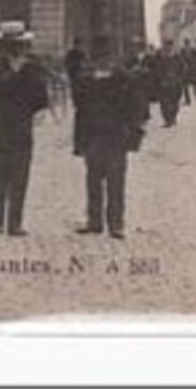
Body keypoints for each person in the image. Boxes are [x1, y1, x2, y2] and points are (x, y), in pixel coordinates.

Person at [0, 22, 51, 236]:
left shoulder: (33, 66)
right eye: (11, 45)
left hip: (21, 127)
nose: (17, 49)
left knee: (20, 176)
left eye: (20, 45)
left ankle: (15, 223)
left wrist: (31, 79)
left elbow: (40, 99)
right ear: (3, 45)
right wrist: (14, 74)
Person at [71, 35, 147, 239]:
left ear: (113, 57)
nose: (102, 60)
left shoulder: (124, 78)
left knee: (116, 179)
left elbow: (136, 107)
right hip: (94, 134)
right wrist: (80, 140)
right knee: (93, 178)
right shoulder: (85, 79)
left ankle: (116, 223)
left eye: (106, 56)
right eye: (99, 56)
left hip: (116, 135)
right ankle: (94, 221)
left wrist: (132, 131)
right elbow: (80, 108)